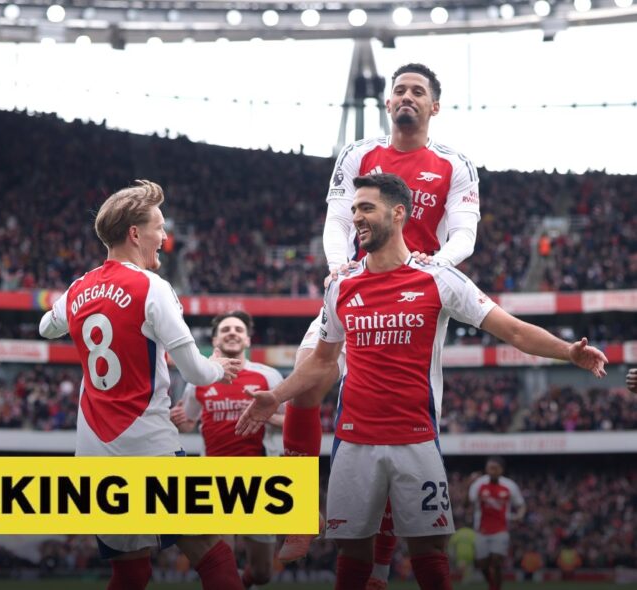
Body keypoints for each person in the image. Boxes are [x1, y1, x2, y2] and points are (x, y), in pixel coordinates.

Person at [236, 173, 608, 590]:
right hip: (353, 442)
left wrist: (568, 352)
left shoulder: (439, 277)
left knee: (430, 551)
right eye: (354, 208)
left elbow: (513, 331)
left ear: (398, 213)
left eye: (366, 208)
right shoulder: (341, 285)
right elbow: (323, 363)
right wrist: (277, 395)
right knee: (351, 553)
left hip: (416, 439)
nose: (356, 217)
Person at [280, 63, 482, 583]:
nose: (407, 97)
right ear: (388, 104)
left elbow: (464, 232)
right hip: (357, 288)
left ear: (434, 106)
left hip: (417, 301)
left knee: (399, 427)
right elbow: (337, 220)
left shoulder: (453, 165)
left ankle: (379, 565)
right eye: (399, 91)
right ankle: (301, 515)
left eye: (418, 91)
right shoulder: (357, 156)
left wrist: (434, 265)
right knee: (306, 381)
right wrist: (335, 264)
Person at [39, 180, 246, 590]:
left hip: (94, 454)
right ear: (135, 234)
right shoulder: (152, 287)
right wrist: (220, 367)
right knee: (210, 549)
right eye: (160, 227)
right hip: (148, 446)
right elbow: (197, 373)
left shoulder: (80, 288)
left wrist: (71, 302)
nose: (164, 237)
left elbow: (46, 327)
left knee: (130, 571)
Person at [170, 310, 284, 589]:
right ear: (215, 339)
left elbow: (292, 422)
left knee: (262, 573)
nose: (232, 332)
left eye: (238, 329)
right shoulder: (200, 379)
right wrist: (179, 422)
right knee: (223, 563)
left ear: (247, 339)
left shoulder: (268, 377)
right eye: (225, 329)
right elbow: (189, 424)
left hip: (259, 480)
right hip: (214, 478)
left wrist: (264, 416)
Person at [468, 457, 525, 590]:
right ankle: (492, 584)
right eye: (489, 468)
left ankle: (496, 587)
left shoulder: (509, 485)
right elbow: (468, 502)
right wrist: (469, 484)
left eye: (495, 468)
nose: (492, 471)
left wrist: (519, 515)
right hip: (481, 529)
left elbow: (521, 504)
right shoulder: (479, 484)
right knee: (482, 564)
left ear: (501, 470)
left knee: (497, 560)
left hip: (501, 529)